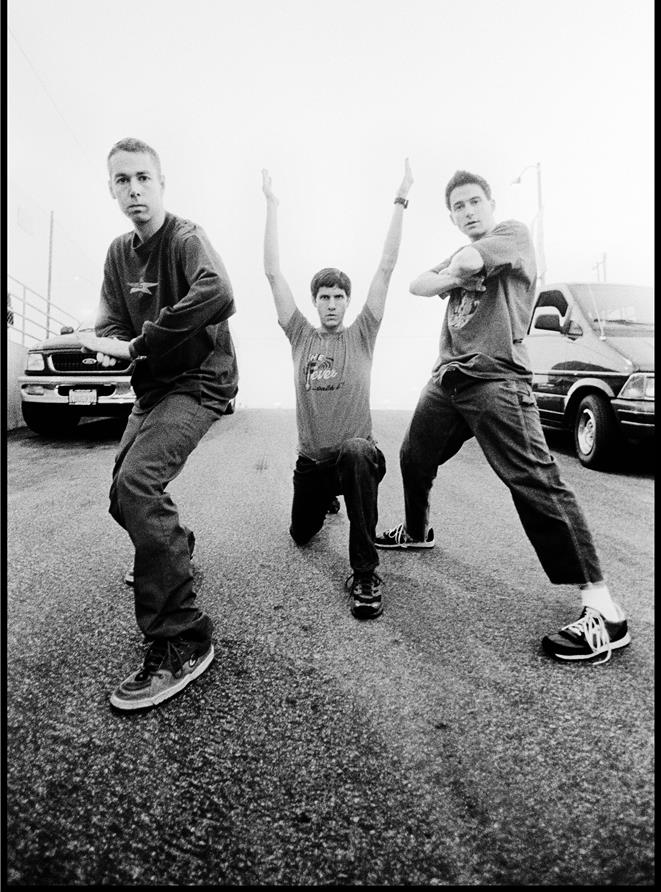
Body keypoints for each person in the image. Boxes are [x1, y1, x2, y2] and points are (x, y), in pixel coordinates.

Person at [376, 169, 630, 664]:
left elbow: (468, 260)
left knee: (534, 481)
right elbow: (415, 284)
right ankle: (416, 529)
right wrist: (453, 275)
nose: (468, 211)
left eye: (474, 202)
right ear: (451, 216)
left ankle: (604, 610)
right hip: (448, 378)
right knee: (413, 456)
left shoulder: (511, 235)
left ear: (490, 203)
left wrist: (456, 271)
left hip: (496, 379)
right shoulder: (465, 252)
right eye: (458, 207)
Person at [78, 137, 238, 710]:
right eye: (122, 181)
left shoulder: (186, 238)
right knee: (124, 500)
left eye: (143, 178)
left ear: (162, 183)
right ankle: (172, 549)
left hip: (200, 379)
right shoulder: (118, 254)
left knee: (139, 487)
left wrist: (144, 341)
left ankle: (184, 639)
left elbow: (218, 292)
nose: (134, 190)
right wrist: (105, 343)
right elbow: (114, 322)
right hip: (153, 387)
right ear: (113, 189)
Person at [262, 160, 413, 620]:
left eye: (339, 296)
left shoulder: (362, 333)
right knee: (300, 534)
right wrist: (271, 207)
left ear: (348, 302)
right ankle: (327, 497)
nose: (331, 304)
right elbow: (272, 273)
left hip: (356, 457)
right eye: (324, 297)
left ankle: (365, 574)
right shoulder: (301, 336)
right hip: (312, 464)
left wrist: (401, 197)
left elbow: (386, 267)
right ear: (315, 303)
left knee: (353, 451)